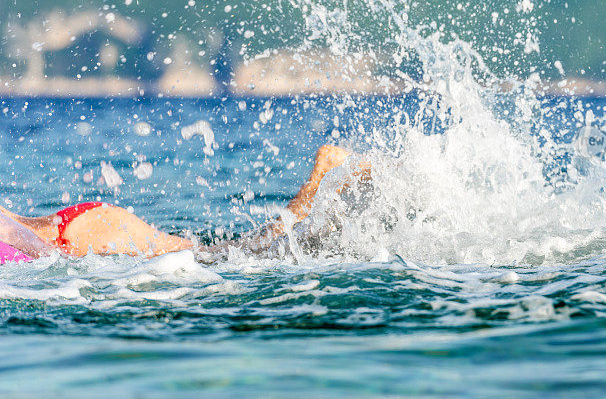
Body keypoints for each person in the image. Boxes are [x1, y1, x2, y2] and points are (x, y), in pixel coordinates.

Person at [0, 145, 367, 263]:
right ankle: (323, 190)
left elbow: (13, 232)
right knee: (226, 254)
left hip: (78, 237)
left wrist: (54, 260)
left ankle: (323, 175)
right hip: (76, 228)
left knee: (225, 256)